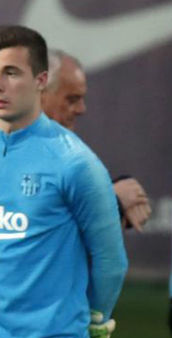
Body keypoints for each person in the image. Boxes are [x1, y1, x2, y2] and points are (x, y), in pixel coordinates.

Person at [0, 25, 128, 338]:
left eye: (11, 72)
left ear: (41, 80)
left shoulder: (76, 163)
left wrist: (95, 322)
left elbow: (110, 260)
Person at [41, 49, 151, 232]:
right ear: (39, 94)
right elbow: (35, 231)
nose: (81, 109)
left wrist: (117, 197)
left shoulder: (62, 151)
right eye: (72, 99)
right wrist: (113, 201)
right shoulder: (7, 146)